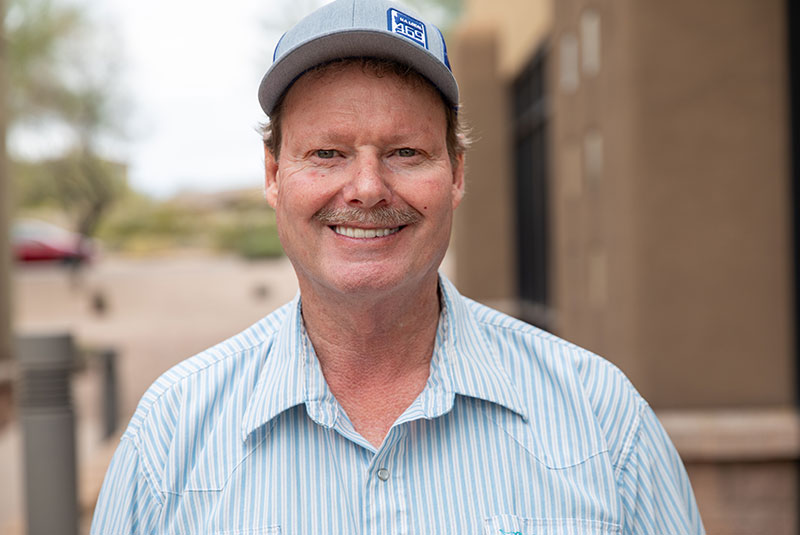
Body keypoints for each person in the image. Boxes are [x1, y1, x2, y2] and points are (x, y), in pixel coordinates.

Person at [91, 1, 705, 533]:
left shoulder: (602, 418)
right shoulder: (171, 434)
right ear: (275, 176)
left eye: (405, 153)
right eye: (327, 153)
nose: (366, 188)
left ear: (457, 174)